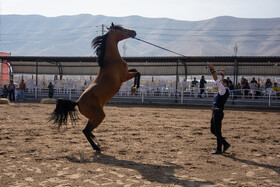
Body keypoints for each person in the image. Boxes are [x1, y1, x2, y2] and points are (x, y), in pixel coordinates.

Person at [207, 62, 230, 154]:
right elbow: (220, 80)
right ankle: (225, 143)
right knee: (213, 130)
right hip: (216, 112)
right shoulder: (225, 89)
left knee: (217, 131)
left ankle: (219, 149)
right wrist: (222, 74)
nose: (220, 82)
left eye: (222, 82)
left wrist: (212, 70)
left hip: (217, 112)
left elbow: (217, 80)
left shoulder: (223, 89)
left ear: (224, 84)